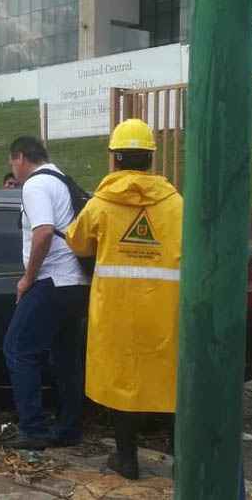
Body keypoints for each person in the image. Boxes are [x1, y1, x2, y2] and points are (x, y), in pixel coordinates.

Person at [65, 119, 183, 479]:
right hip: (165, 311)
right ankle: (183, 464)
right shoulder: (175, 204)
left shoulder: (102, 204)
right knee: (171, 382)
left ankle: (127, 460)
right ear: (151, 157)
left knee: (123, 384)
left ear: (115, 158)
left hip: (116, 312)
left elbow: (78, 242)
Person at [3, 136, 90, 450]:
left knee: (17, 348)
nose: (13, 171)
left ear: (21, 157)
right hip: (77, 282)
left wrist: (27, 279)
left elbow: (42, 233)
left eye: (12, 163)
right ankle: (69, 430)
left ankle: (34, 429)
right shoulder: (62, 180)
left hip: (52, 279)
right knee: (66, 357)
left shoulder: (36, 185)